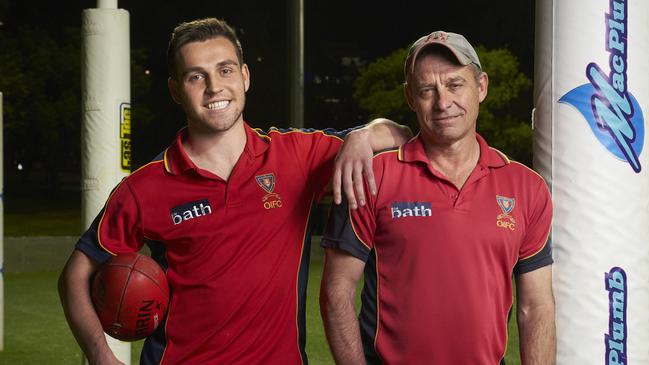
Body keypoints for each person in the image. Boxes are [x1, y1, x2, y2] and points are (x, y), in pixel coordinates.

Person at [58, 18, 410, 365]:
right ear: (175, 90)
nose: (214, 87)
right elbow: (75, 275)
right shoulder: (146, 186)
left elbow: (398, 135)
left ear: (244, 76)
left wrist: (362, 136)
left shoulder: (294, 156)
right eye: (196, 76)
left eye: (225, 70)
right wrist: (101, 356)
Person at [320, 31, 556, 364]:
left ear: (482, 87)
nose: (443, 102)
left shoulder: (527, 188)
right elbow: (336, 292)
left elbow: (536, 307)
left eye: (455, 85)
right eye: (427, 89)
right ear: (410, 98)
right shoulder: (372, 175)